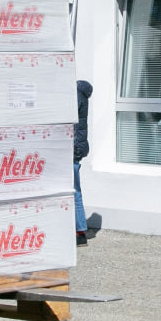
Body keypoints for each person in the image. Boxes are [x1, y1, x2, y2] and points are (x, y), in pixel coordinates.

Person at [74, 78, 93, 245]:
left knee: (74, 190)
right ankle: (78, 230)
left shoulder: (75, 94)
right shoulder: (79, 91)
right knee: (74, 189)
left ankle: (80, 232)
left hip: (71, 148)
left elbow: (69, 120)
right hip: (76, 147)